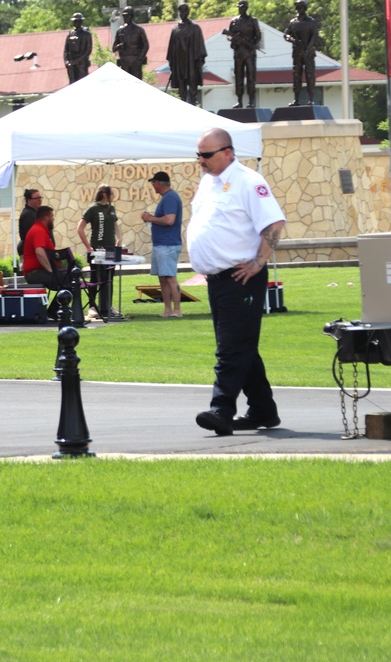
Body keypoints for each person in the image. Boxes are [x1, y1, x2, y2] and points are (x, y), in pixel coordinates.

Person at [187, 128, 285, 436]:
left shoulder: (249, 181)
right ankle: (262, 409)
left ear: (228, 151)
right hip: (217, 280)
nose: (200, 160)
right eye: (198, 154)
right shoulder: (208, 183)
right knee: (241, 346)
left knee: (230, 347)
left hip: (240, 278)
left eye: (206, 154)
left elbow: (274, 222)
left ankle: (222, 408)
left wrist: (258, 262)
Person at [141, 172, 184, 318]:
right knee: (163, 278)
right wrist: (151, 219)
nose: (152, 186)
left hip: (168, 244)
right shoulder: (167, 198)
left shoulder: (170, 198)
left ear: (158, 183)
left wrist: (150, 218)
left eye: (153, 182)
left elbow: (169, 220)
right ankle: (167, 310)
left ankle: (177, 310)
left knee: (170, 277)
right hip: (161, 244)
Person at [76, 184, 122, 320]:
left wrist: (120, 238)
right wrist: (88, 247)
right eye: (111, 193)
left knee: (109, 278)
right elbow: (80, 228)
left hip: (110, 250)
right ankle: (92, 307)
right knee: (95, 278)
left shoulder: (111, 209)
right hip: (96, 249)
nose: (113, 196)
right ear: (104, 194)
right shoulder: (93, 209)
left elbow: (116, 225)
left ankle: (107, 306)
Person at [23, 205, 76, 319]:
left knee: (68, 279)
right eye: (52, 216)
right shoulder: (38, 230)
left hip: (37, 271)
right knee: (68, 281)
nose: (53, 219)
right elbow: (39, 252)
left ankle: (55, 310)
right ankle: (55, 311)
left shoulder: (40, 230)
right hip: (35, 273)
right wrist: (51, 271)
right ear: (46, 217)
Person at [223, 0, 262, 108]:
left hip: (249, 53)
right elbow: (229, 35)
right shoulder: (234, 21)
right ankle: (239, 101)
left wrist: (253, 44)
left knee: (251, 77)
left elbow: (258, 35)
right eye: (240, 7)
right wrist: (235, 40)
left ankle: (251, 101)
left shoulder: (252, 21)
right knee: (238, 77)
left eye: (243, 7)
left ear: (246, 8)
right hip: (238, 52)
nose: (241, 8)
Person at [167, 3, 207, 105]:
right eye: (180, 12)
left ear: (188, 12)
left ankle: (193, 106)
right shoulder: (175, 29)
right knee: (182, 90)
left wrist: (200, 60)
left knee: (193, 89)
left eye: (184, 11)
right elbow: (171, 49)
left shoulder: (195, 28)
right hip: (180, 64)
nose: (182, 14)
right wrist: (172, 64)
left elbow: (200, 45)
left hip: (191, 63)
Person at [284, 0, 320, 106]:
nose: (299, 9)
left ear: (305, 8)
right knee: (296, 75)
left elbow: (314, 36)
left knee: (310, 75)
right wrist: (292, 40)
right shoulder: (293, 22)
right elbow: (286, 34)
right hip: (297, 53)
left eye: (301, 7)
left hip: (308, 53)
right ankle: (296, 99)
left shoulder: (311, 21)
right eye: (298, 7)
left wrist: (308, 49)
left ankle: (311, 98)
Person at [112, 6, 149, 80]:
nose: (125, 18)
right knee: (125, 83)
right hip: (124, 62)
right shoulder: (120, 31)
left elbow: (146, 45)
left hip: (135, 61)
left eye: (127, 16)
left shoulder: (139, 30)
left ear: (132, 16)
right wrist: (119, 46)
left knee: (136, 83)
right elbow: (114, 48)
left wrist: (139, 59)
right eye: (124, 16)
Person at [64, 12, 93, 84]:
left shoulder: (86, 34)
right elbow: (66, 50)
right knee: (72, 83)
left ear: (81, 21)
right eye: (74, 21)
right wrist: (66, 61)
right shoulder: (70, 34)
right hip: (71, 63)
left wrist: (79, 60)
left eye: (78, 21)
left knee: (82, 82)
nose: (76, 23)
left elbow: (88, 50)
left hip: (81, 64)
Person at [17, 188, 44, 261]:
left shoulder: (35, 213)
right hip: (30, 252)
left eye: (40, 198)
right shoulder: (28, 215)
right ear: (29, 200)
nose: (39, 200)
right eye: (36, 198)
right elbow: (31, 235)